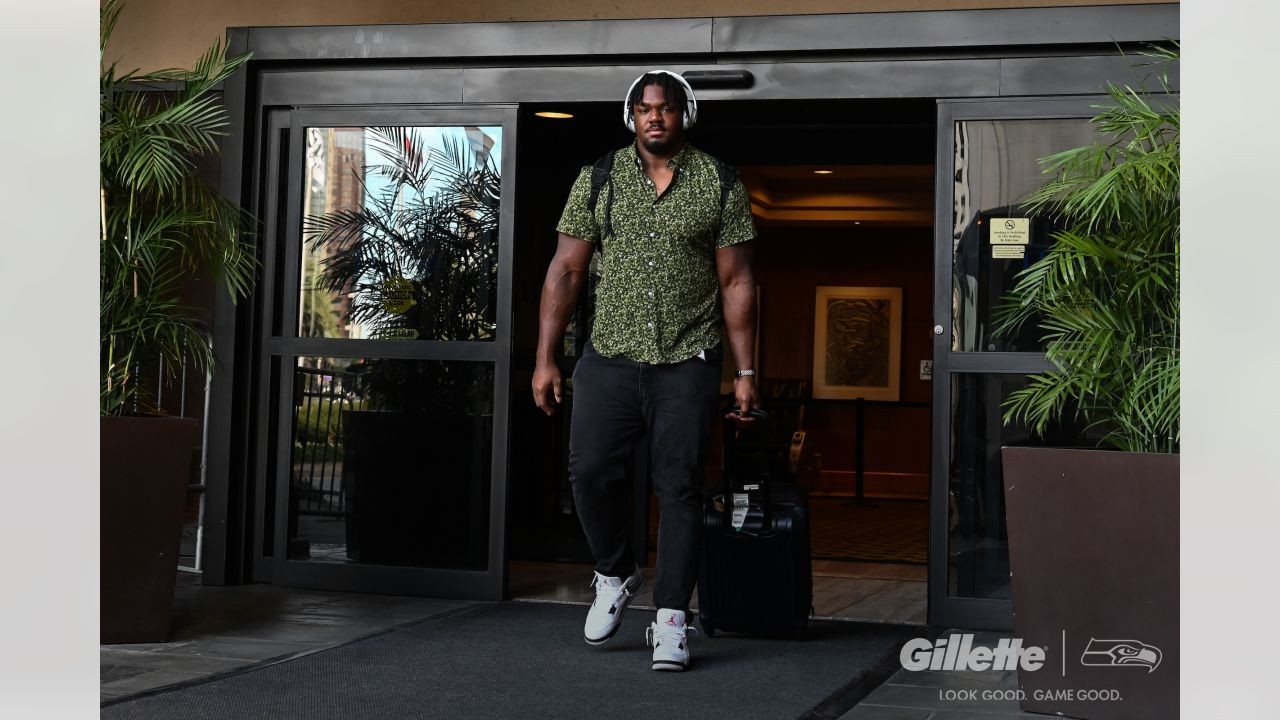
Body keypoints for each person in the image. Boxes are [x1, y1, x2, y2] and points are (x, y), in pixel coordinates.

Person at [532, 70, 760, 672]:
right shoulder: (598, 177)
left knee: (680, 490)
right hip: (608, 356)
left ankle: (671, 620)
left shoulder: (719, 181)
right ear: (630, 116)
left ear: (685, 114)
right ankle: (614, 571)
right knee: (588, 474)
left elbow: (736, 281)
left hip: (687, 360)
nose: (654, 117)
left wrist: (745, 371)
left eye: (664, 108)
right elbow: (565, 271)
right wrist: (545, 357)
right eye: (643, 108)